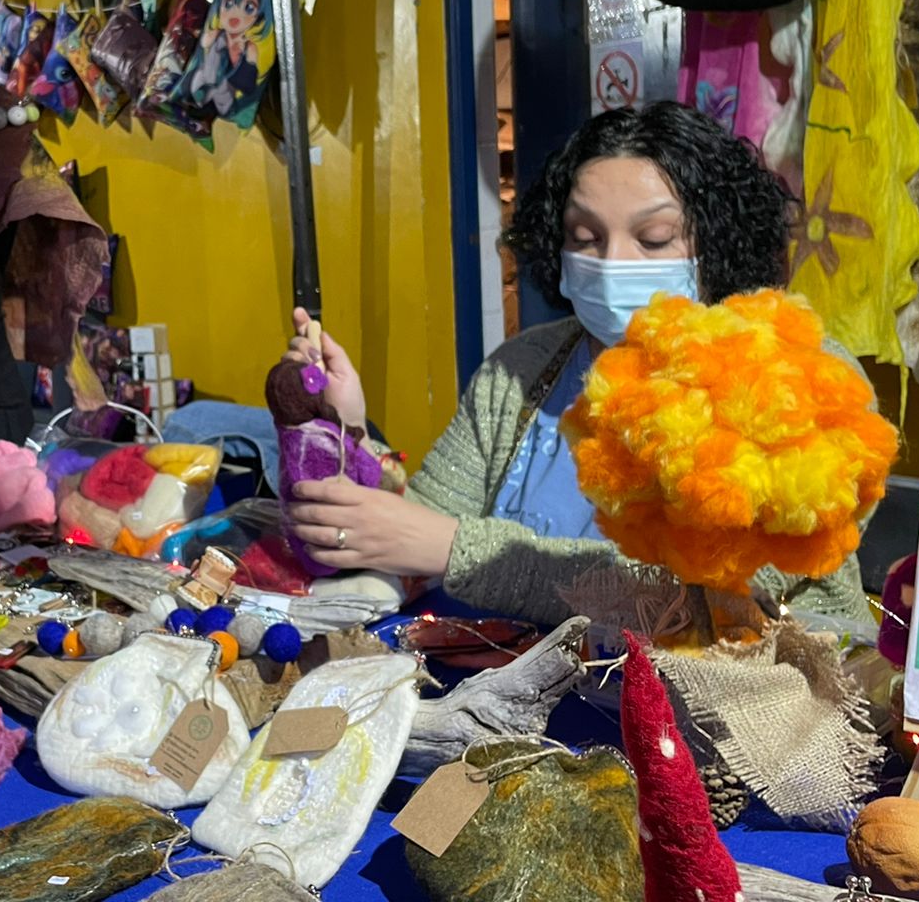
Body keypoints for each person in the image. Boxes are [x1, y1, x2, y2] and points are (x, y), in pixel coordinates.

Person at [284, 102, 875, 624]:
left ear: (718, 242)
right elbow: (411, 532)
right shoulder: (523, 368)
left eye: (655, 237)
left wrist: (459, 550)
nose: (612, 261)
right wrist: (344, 433)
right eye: (586, 236)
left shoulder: (805, 381)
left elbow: (707, 602)